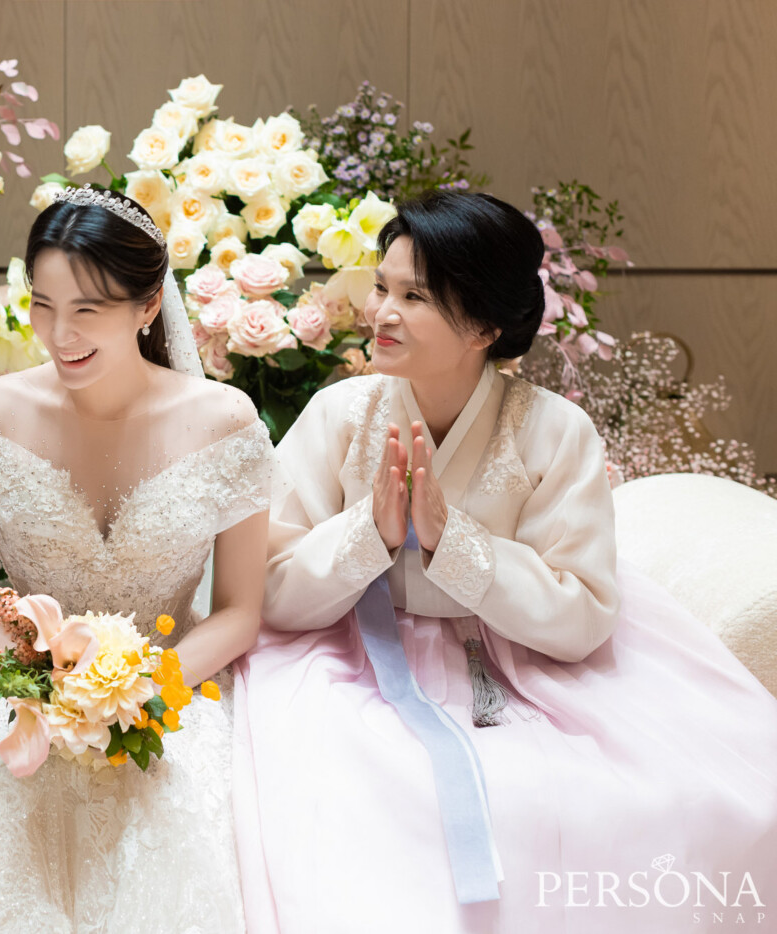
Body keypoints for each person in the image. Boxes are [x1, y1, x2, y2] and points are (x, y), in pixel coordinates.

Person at [233, 189, 777, 933]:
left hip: (525, 659)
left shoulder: (555, 431)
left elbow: (580, 614)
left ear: (485, 327)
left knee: (661, 798)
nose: (381, 312)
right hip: (349, 650)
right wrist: (371, 533)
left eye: (414, 297)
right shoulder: (340, 415)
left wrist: (452, 539)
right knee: (349, 793)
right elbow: (270, 587)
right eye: (382, 288)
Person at [0, 186, 273, 933]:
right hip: (19, 684)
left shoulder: (224, 421)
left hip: (174, 688)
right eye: (42, 305)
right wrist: (39, 680)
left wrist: (145, 691)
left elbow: (239, 612)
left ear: (148, 306)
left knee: (182, 829)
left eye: (88, 309)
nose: (59, 333)